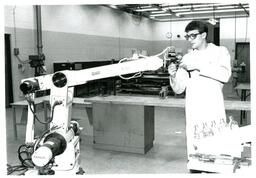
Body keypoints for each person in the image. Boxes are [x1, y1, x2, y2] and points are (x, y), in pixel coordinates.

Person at [168, 21, 232, 165]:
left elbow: (225, 75)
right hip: (194, 108)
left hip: (212, 107)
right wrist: (173, 76)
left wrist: (198, 66)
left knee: (215, 147)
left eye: (193, 36)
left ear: (203, 35)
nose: (190, 40)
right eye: (187, 36)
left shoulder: (220, 51)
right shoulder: (187, 57)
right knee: (195, 150)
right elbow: (179, 88)